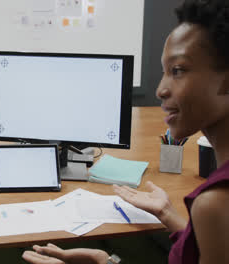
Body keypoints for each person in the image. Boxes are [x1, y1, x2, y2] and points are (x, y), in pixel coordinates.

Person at [22, 0, 229, 263]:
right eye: (165, 71)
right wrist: (165, 214)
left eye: (178, 70)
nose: (160, 90)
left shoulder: (216, 204)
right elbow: (197, 251)